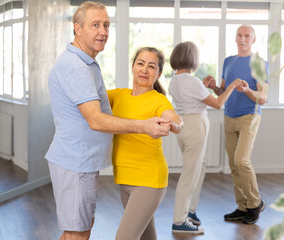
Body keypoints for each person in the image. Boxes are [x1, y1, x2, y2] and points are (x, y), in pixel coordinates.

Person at [46, 2, 171, 240]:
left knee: (79, 229)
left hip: (81, 163)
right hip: (76, 163)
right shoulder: (77, 68)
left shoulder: (87, 64)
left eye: (106, 25)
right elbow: (95, 120)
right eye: (95, 25)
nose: (103, 31)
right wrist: (144, 126)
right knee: (78, 232)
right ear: (77, 29)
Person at [168, 41, 244, 234]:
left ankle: (190, 211)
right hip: (195, 127)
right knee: (190, 173)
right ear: (192, 59)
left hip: (183, 126)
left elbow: (191, 97)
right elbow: (218, 103)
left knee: (198, 168)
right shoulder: (191, 81)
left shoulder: (175, 80)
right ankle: (179, 220)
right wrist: (233, 85)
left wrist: (204, 86)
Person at [108, 47, 183, 240]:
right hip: (124, 178)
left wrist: (173, 124)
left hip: (148, 180)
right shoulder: (118, 95)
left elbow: (175, 120)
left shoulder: (158, 100)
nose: (144, 69)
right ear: (132, 67)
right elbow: (88, 97)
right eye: (140, 63)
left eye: (151, 66)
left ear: (158, 74)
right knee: (146, 237)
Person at [207, 25, 269, 224]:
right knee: (234, 165)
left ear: (253, 40)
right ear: (235, 38)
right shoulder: (228, 61)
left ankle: (255, 203)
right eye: (239, 35)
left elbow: (263, 98)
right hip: (229, 116)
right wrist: (214, 86)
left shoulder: (260, 63)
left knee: (242, 160)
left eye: (247, 36)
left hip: (249, 116)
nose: (242, 39)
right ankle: (243, 206)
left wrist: (248, 91)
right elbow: (222, 92)